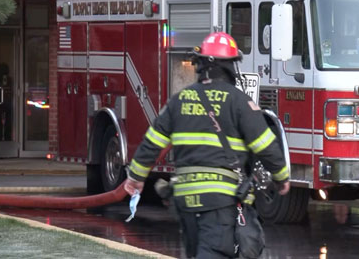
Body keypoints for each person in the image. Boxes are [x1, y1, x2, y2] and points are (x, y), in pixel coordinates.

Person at [124, 32, 290, 259]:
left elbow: (152, 142)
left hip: (184, 199)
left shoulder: (179, 100)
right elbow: (266, 146)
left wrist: (136, 177)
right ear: (231, 66)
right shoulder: (240, 101)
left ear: (200, 64)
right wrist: (282, 178)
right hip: (220, 199)